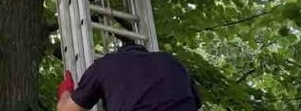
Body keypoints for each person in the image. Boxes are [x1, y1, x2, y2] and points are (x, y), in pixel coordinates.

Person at [56, 43, 202, 111]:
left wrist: (65, 92)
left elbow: (67, 110)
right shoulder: (173, 62)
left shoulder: (105, 65)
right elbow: (196, 101)